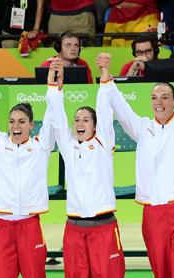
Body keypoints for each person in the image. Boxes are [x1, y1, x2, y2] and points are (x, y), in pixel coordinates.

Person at [103, 55, 174, 278]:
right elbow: (121, 109)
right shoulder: (142, 128)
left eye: (164, 97)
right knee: (161, 273)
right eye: (154, 97)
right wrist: (106, 75)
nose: (158, 102)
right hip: (152, 213)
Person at [0, 52, 55, 278]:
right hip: (1, 226)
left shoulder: (41, 146)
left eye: (21, 122)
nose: (15, 126)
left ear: (31, 125)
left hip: (30, 225)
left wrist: (53, 86)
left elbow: (53, 117)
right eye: (11, 122)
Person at [45, 54, 126, 277]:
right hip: (74, 229)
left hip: (104, 229)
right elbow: (57, 118)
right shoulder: (69, 148)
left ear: (95, 126)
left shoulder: (103, 142)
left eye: (85, 119)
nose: (80, 123)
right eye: (77, 119)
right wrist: (54, 83)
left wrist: (105, 73)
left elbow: (104, 106)